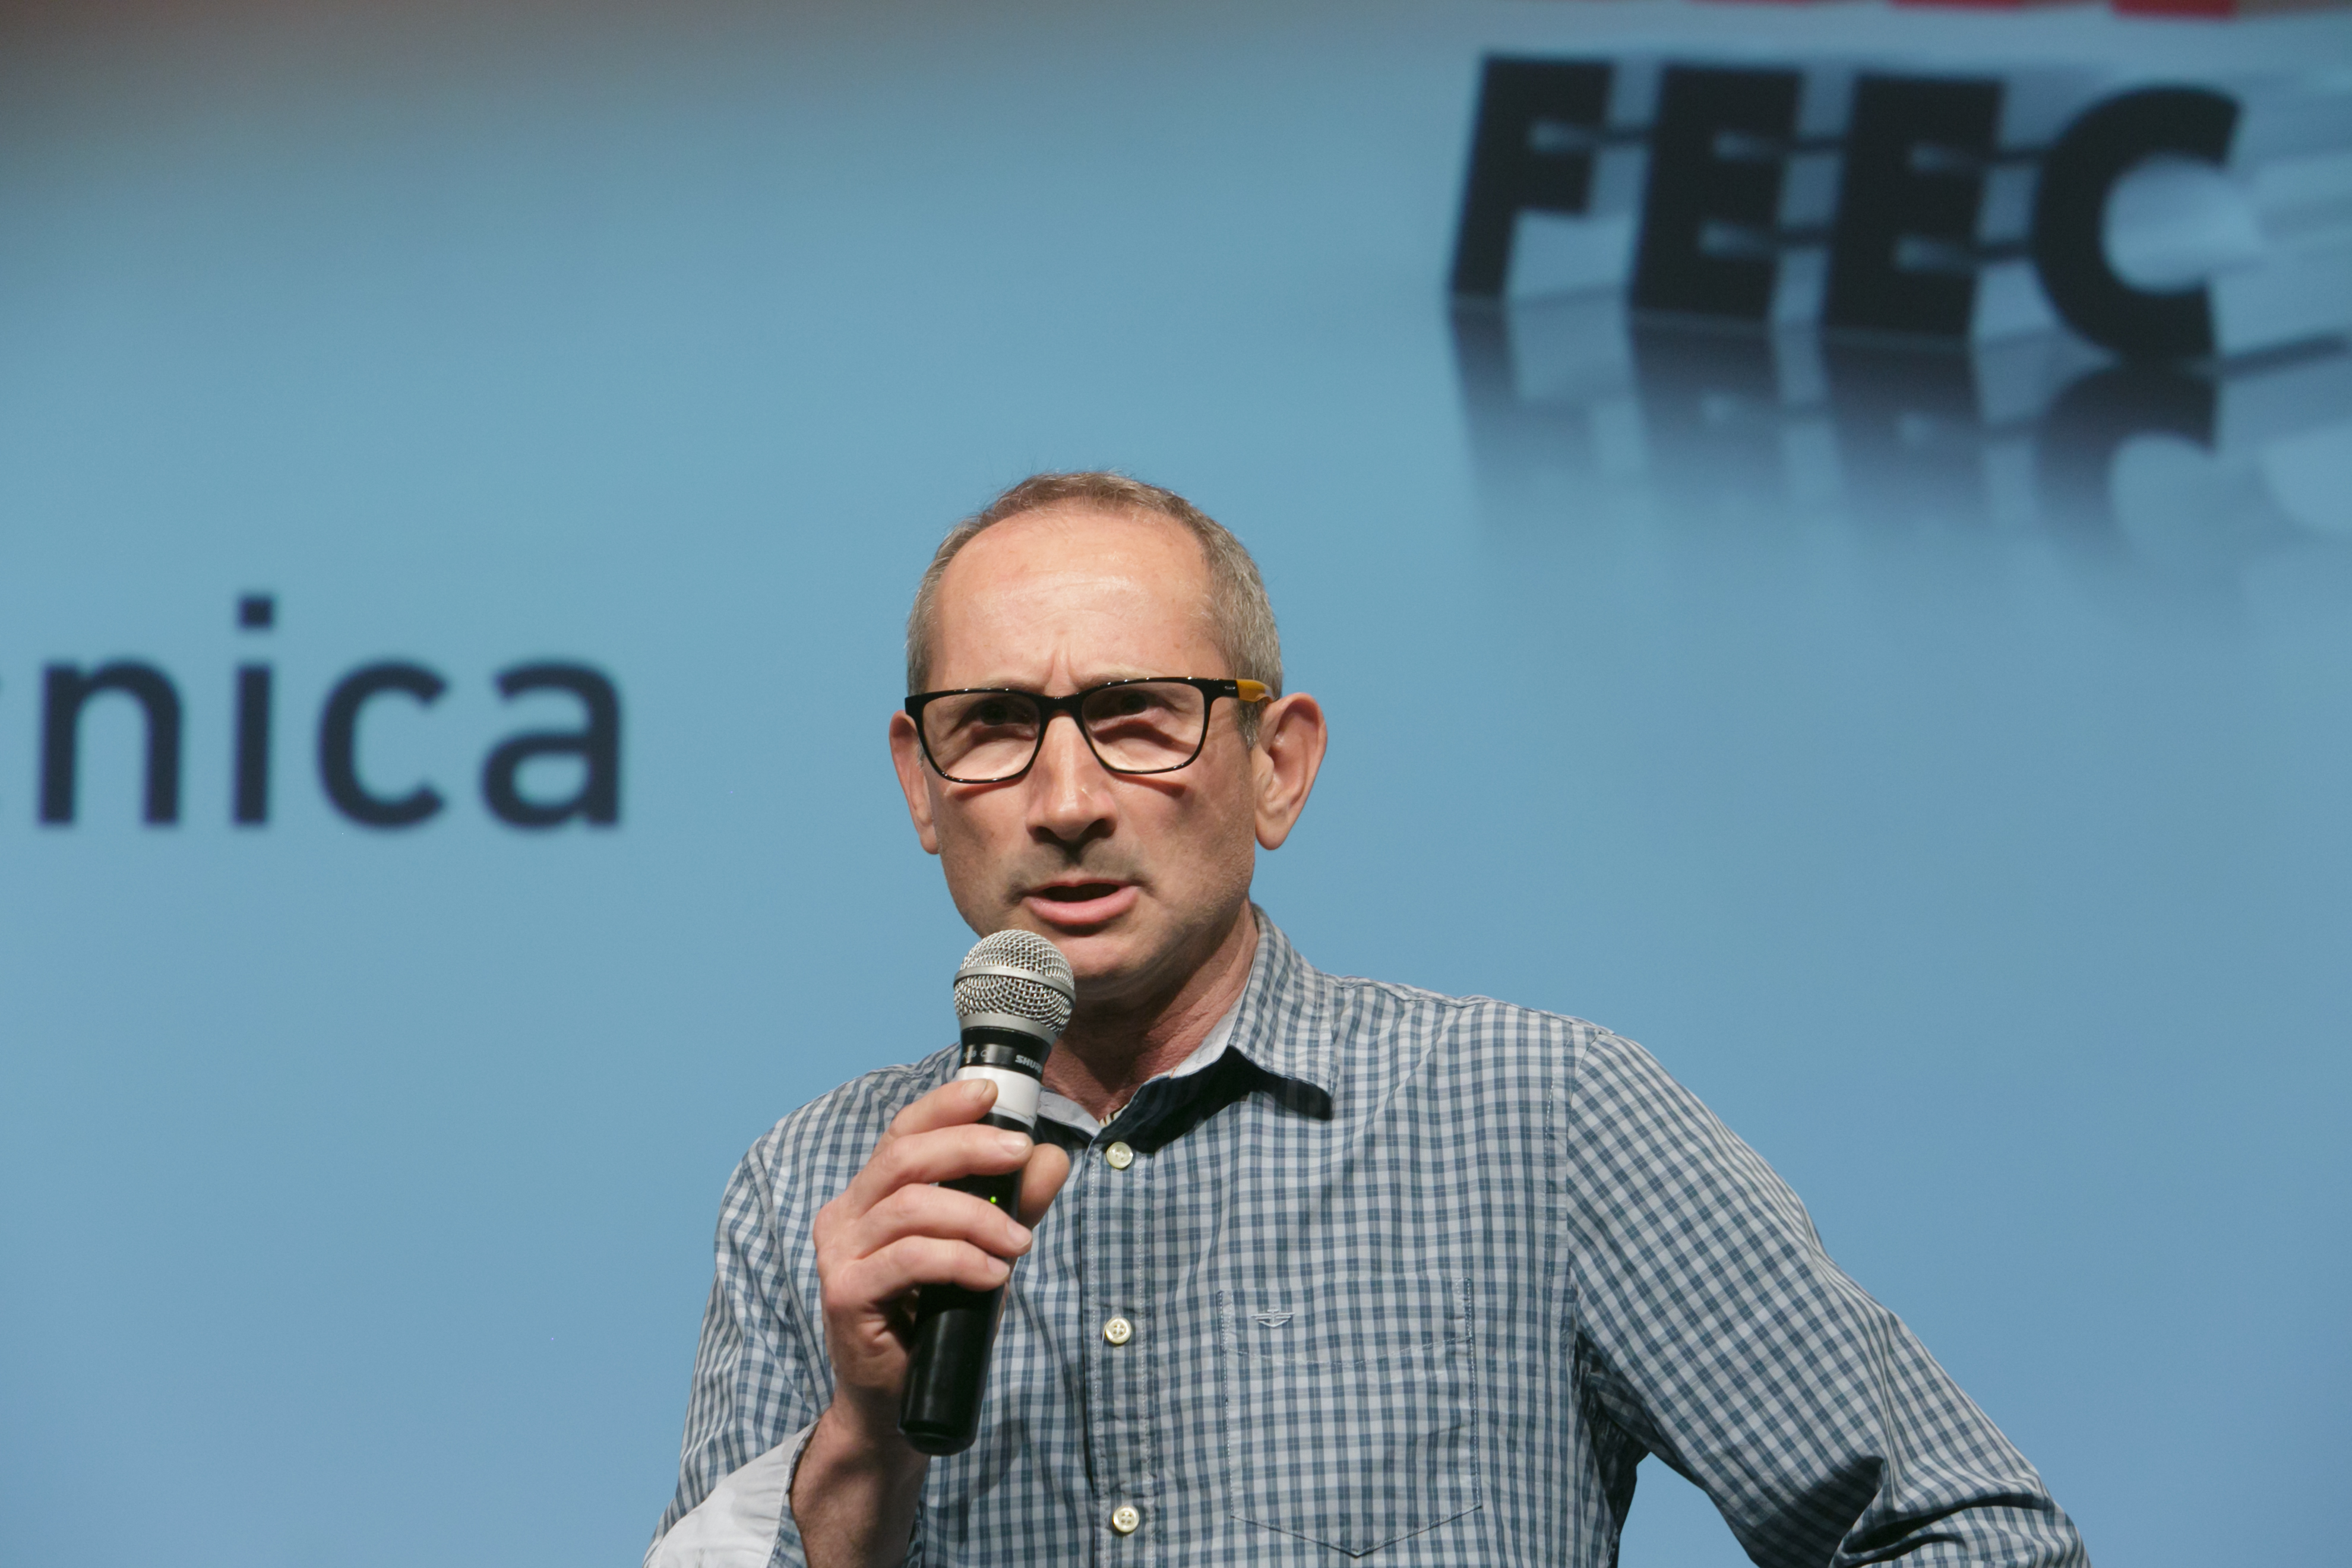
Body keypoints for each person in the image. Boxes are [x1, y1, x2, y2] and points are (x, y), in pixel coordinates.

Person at [646, 471, 2087, 1568]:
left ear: (1278, 766)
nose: (1067, 800)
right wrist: (865, 1443)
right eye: (997, 726)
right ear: (921, 784)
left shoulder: (1541, 1116)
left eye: (1139, 716)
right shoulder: (810, 1189)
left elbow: (1974, 1537)